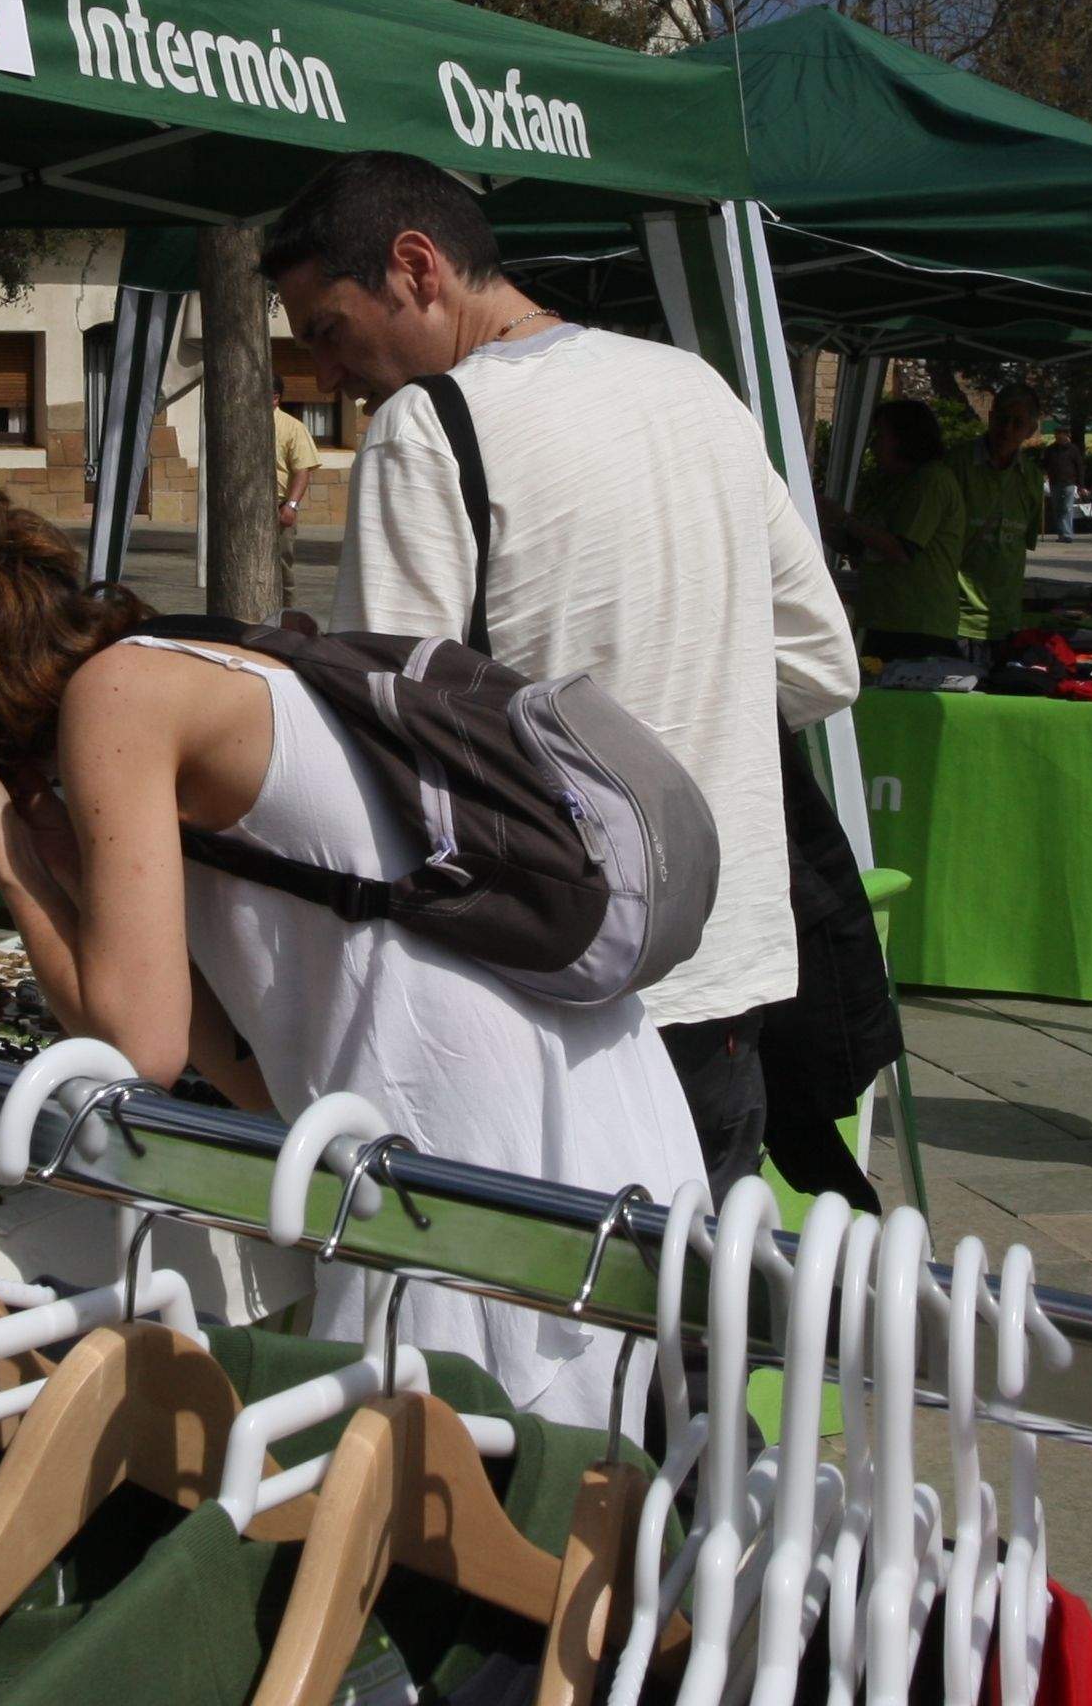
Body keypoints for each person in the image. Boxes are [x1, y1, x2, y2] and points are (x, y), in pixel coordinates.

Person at [0, 487, 702, 1425]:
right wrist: (52, 855)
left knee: (483, 1512)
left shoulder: (119, 695)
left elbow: (136, 1055)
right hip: (547, 1113)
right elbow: (246, 1072)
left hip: (485, 1148)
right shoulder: (197, 661)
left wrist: (5, 855)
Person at [266, 152, 857, 1203]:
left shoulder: (425, 427)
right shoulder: (696, 389)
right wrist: (680, 698)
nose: (324, 376)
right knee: (698, 1315)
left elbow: (385, 752)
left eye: (325, 330)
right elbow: (819, 666)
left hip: (553, 986)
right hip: (727, 969)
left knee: (561, 1332)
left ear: (415, 267)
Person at [832, 400, 973, 661]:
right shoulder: (886, 482)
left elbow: (901, 549)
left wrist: (845, 520)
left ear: (906, 438)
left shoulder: (932, 480)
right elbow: (862, 545)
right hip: (880, 618)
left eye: (881, 436)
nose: (874, 445)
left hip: (918, 625)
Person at [947, 386, 1047, 646]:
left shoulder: (1032, 478)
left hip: (1006, 619)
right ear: (990, 417)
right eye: (1002, 419)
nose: (1007, 430)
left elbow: (1022, 543)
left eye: (1018, 423)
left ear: (1031, 429)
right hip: (955, 617)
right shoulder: (955, 465)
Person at [271, 396, 322, 615]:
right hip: (245, 508)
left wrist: (291, 505)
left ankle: (286, 614)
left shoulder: (293, 427)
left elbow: (303, 470)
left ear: (275, 397)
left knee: (282, 564)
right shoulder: (239, 422)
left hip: (279, 506)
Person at [1043, 419, 1092, 543]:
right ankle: (1061, 533)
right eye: (1056, 434)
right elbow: (1044, 464)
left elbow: (1080, 467)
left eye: (1061, 434)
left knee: (1067, 508)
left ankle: (1067, 534)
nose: (1058, 437)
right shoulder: (1050, 450)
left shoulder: (1073, 449)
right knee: (1057, 509)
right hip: (1054, 482)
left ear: (1066, 435)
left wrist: (1081, 485)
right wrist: (1043, 473)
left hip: (1069, 483)